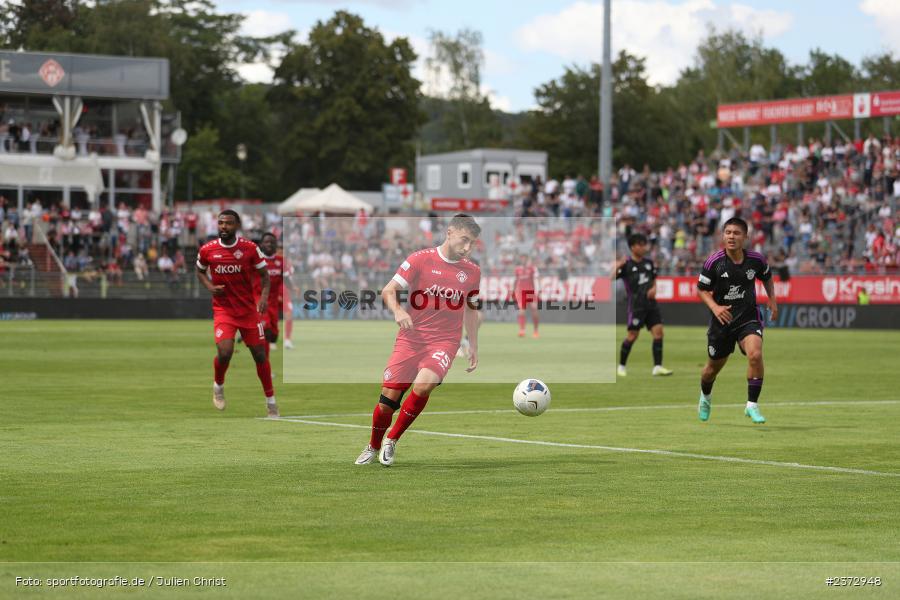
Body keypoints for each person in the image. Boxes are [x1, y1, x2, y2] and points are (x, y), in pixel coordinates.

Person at [356, 214, 482, 467]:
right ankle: (373, 445)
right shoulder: (420, 259)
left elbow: (471, 309)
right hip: (411, 340)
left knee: (424, 385)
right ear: (450, 233)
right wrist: (399, 311)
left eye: (472, 243)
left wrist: (472, 344)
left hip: (445, 341)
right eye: (464, 240)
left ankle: (392, 439)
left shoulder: (472, 272)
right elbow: (388, 290)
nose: (467, 248)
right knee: (386, 404)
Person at [196, 210, 278, 418]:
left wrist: (264, 298)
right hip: (224, 310)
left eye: (229, 223)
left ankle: (271, 402)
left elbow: (264, 276)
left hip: (249, 311)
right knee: (225, 352)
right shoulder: (208, 250)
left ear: (237, 225)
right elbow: (199, 270)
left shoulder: (249, 249)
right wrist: (209, 286)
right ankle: (218, 386)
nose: (224, 227)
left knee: (260, 354)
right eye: (221, 223)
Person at [696, 217, 778, 424]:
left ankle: (752, 405)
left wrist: (772, 300)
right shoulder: (714, 262)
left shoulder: (756, 260)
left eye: (736, 233)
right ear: (723, 236)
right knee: (710, 370)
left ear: (746, 237)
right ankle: (705, 397)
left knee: (755, 354)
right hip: (721, 322)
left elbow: (767, 276)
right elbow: (702, 289)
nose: (731, 237)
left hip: (748, 317)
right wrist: (715, 307)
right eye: (728, 232)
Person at [614, 233, 672, 377]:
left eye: (644, 244)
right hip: (636, 306)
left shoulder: (649, 263)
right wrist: (617, 267)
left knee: (659, 333)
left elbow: (654, 280)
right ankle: (621, 366)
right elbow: (610, 278)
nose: (643, 247)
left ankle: (657, 367)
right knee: (632, 335)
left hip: (651, 304)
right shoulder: (626, 264)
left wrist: (654, 288)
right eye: (640, 244)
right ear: (632, 247)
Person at [258, 232, 294, 353]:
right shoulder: (257, 261)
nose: (269, 245)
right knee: (265, 328)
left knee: (274, 334)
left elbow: (287, 279)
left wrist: (293, 289)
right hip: (262, 299)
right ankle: (265, 368)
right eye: (266, 242)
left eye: (272, 243)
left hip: (280, 294)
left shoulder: (283, 262)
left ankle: (287, 339)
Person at [514, 254, 540, 338]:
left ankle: (536, 330)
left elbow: (537, 279)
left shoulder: (532, 269)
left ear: (527, 259)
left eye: (525, 258)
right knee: (522, 311)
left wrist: (539, 290)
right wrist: (513, 291)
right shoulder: (518, 269)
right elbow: (516, 280)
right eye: (522, 258)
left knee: (534, 311)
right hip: (521, 293)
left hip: (531, 292)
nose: (523, 260)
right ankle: (522, 330)